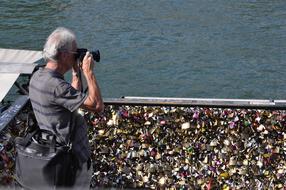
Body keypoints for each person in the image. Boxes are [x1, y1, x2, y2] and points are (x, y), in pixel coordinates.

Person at [29, 27, 104, 189]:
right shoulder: (56, 86)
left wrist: (76, 72)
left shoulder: (38, 76)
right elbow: (97, 106)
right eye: (74, 52)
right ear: (63, 55)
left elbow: (69, 99)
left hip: (53, 154)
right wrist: (88, 73)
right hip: (72, 162)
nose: (76, 54)